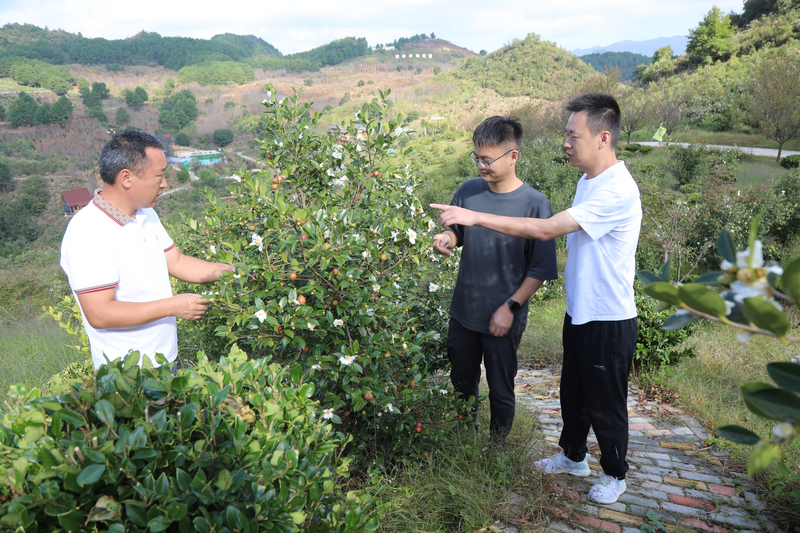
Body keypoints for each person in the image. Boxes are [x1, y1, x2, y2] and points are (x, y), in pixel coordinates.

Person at [432, 93, 641, 505]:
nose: (565, 142)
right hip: (581, 310)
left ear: (602, 137)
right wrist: (456, 231)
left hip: (609, 316)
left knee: (605, 400)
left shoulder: (616, 190)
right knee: (574, 392)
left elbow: (545, 232)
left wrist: (474, 218)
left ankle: (615, 474)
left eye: (572, 135)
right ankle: (573, 456)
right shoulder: (588, 181)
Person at [60, 130, 234, 369]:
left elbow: (178, 262)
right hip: (127, 370)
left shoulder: (145, 213)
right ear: (127, 178)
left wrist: (235, 271)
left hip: (165, 358)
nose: (165, 183)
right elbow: (100, 314)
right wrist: (173, 306)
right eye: (159, 175)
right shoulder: (88, 232)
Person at [432, 116, 558, 444]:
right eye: (476, 158)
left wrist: (510, 307)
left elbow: (540, 269)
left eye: (487, 160)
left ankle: (497, 448)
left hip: (504, 314)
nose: (480, 166)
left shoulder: (534, 204)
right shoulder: (469, 190)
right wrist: (446, 239)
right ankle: (465, 440)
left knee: (501, 387)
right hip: (464, 310)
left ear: (513, 156)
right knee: (462, 382)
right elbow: (456, 231)